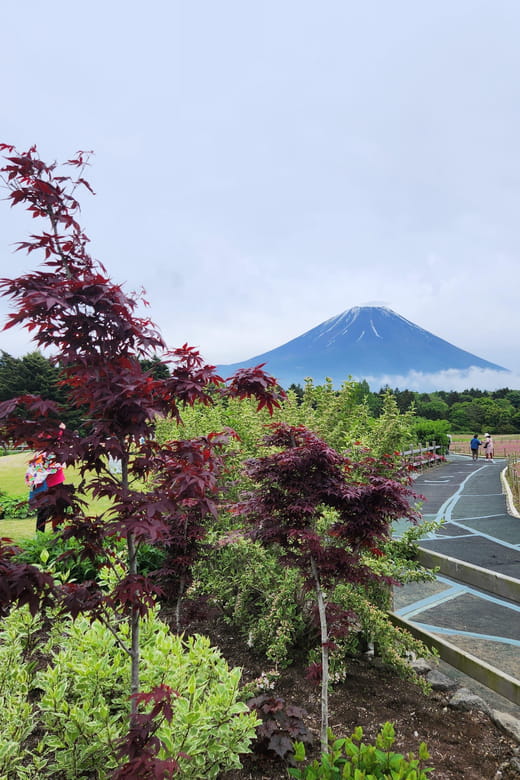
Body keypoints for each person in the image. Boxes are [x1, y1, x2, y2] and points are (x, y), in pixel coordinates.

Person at [25, 423, 68, 532]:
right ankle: (55, 533)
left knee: (49, 511)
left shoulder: (40, 454)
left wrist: (60, 431)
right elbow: (57, 439)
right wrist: (61, 430)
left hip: (48, 484)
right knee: (53, 510)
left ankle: (44, 534)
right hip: (51, 484)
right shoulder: (48, 453)